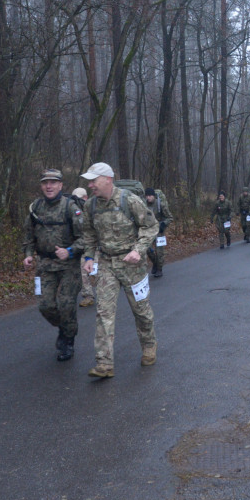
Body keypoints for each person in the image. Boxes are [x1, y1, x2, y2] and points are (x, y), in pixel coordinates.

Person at [79, 162, 159, 378]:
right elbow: (88, 233)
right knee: (103, 313)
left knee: (141, 310)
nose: (90, 185)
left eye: (93, 180)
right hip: (106, 264)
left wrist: (138, 250)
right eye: (89, 181)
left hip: (132, 264)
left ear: (108, 179)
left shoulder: (129, 200)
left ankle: (149, 345)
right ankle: (104, 364)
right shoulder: (90, 206)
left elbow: (151, 226)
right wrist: (88, 256)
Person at [22, 169, 84, 362]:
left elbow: (87, 238)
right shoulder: (36, 208)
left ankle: (68, 340)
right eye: (45, 183)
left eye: (53, 182)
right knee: (45, 305)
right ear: (41, 186)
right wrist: (28, 254)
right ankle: (64, 328)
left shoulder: (71, 207)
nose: (49, 186)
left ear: (60, 185)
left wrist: (70, 251)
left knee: (66, 304)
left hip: (68, 266)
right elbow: (28, 236)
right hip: (45, 265)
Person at [72, 187, 96, 306]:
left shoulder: (93, 207)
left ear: (85, 198)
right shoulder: (74, 210)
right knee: (83, 271)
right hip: (82, 246)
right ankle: (88, 295)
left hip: (95, 246)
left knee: (98, 272)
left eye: (79, 199)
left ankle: (105, 293)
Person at [144, 186, 174, 277]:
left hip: (159, 230)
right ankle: (155, 263)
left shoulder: (160, 204)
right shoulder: (143, 205)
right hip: (148, 230)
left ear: (153, 196)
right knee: (147, 249)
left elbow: (170, 217)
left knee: (159, 251)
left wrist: (163, 224)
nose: (148, 197)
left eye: (149, 195)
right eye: (146, 196)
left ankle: (159, 269)